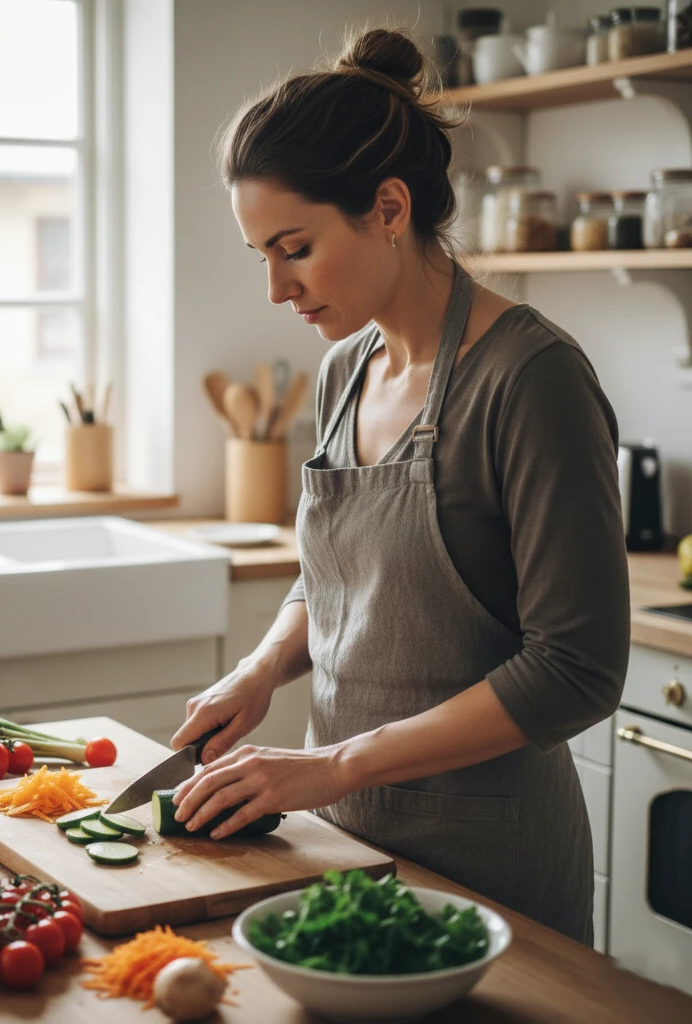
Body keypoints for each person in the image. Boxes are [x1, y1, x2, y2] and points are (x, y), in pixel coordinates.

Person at [168, 27, 630, 945]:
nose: (276, 288)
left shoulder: (530, 377)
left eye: (294, 248)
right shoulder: (345, 372)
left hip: (491, 869)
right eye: (261, 255)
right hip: (341, 846)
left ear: (388, 207)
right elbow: (340, 576)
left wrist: (335, 765)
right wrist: (261, 671)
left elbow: (577, 669)